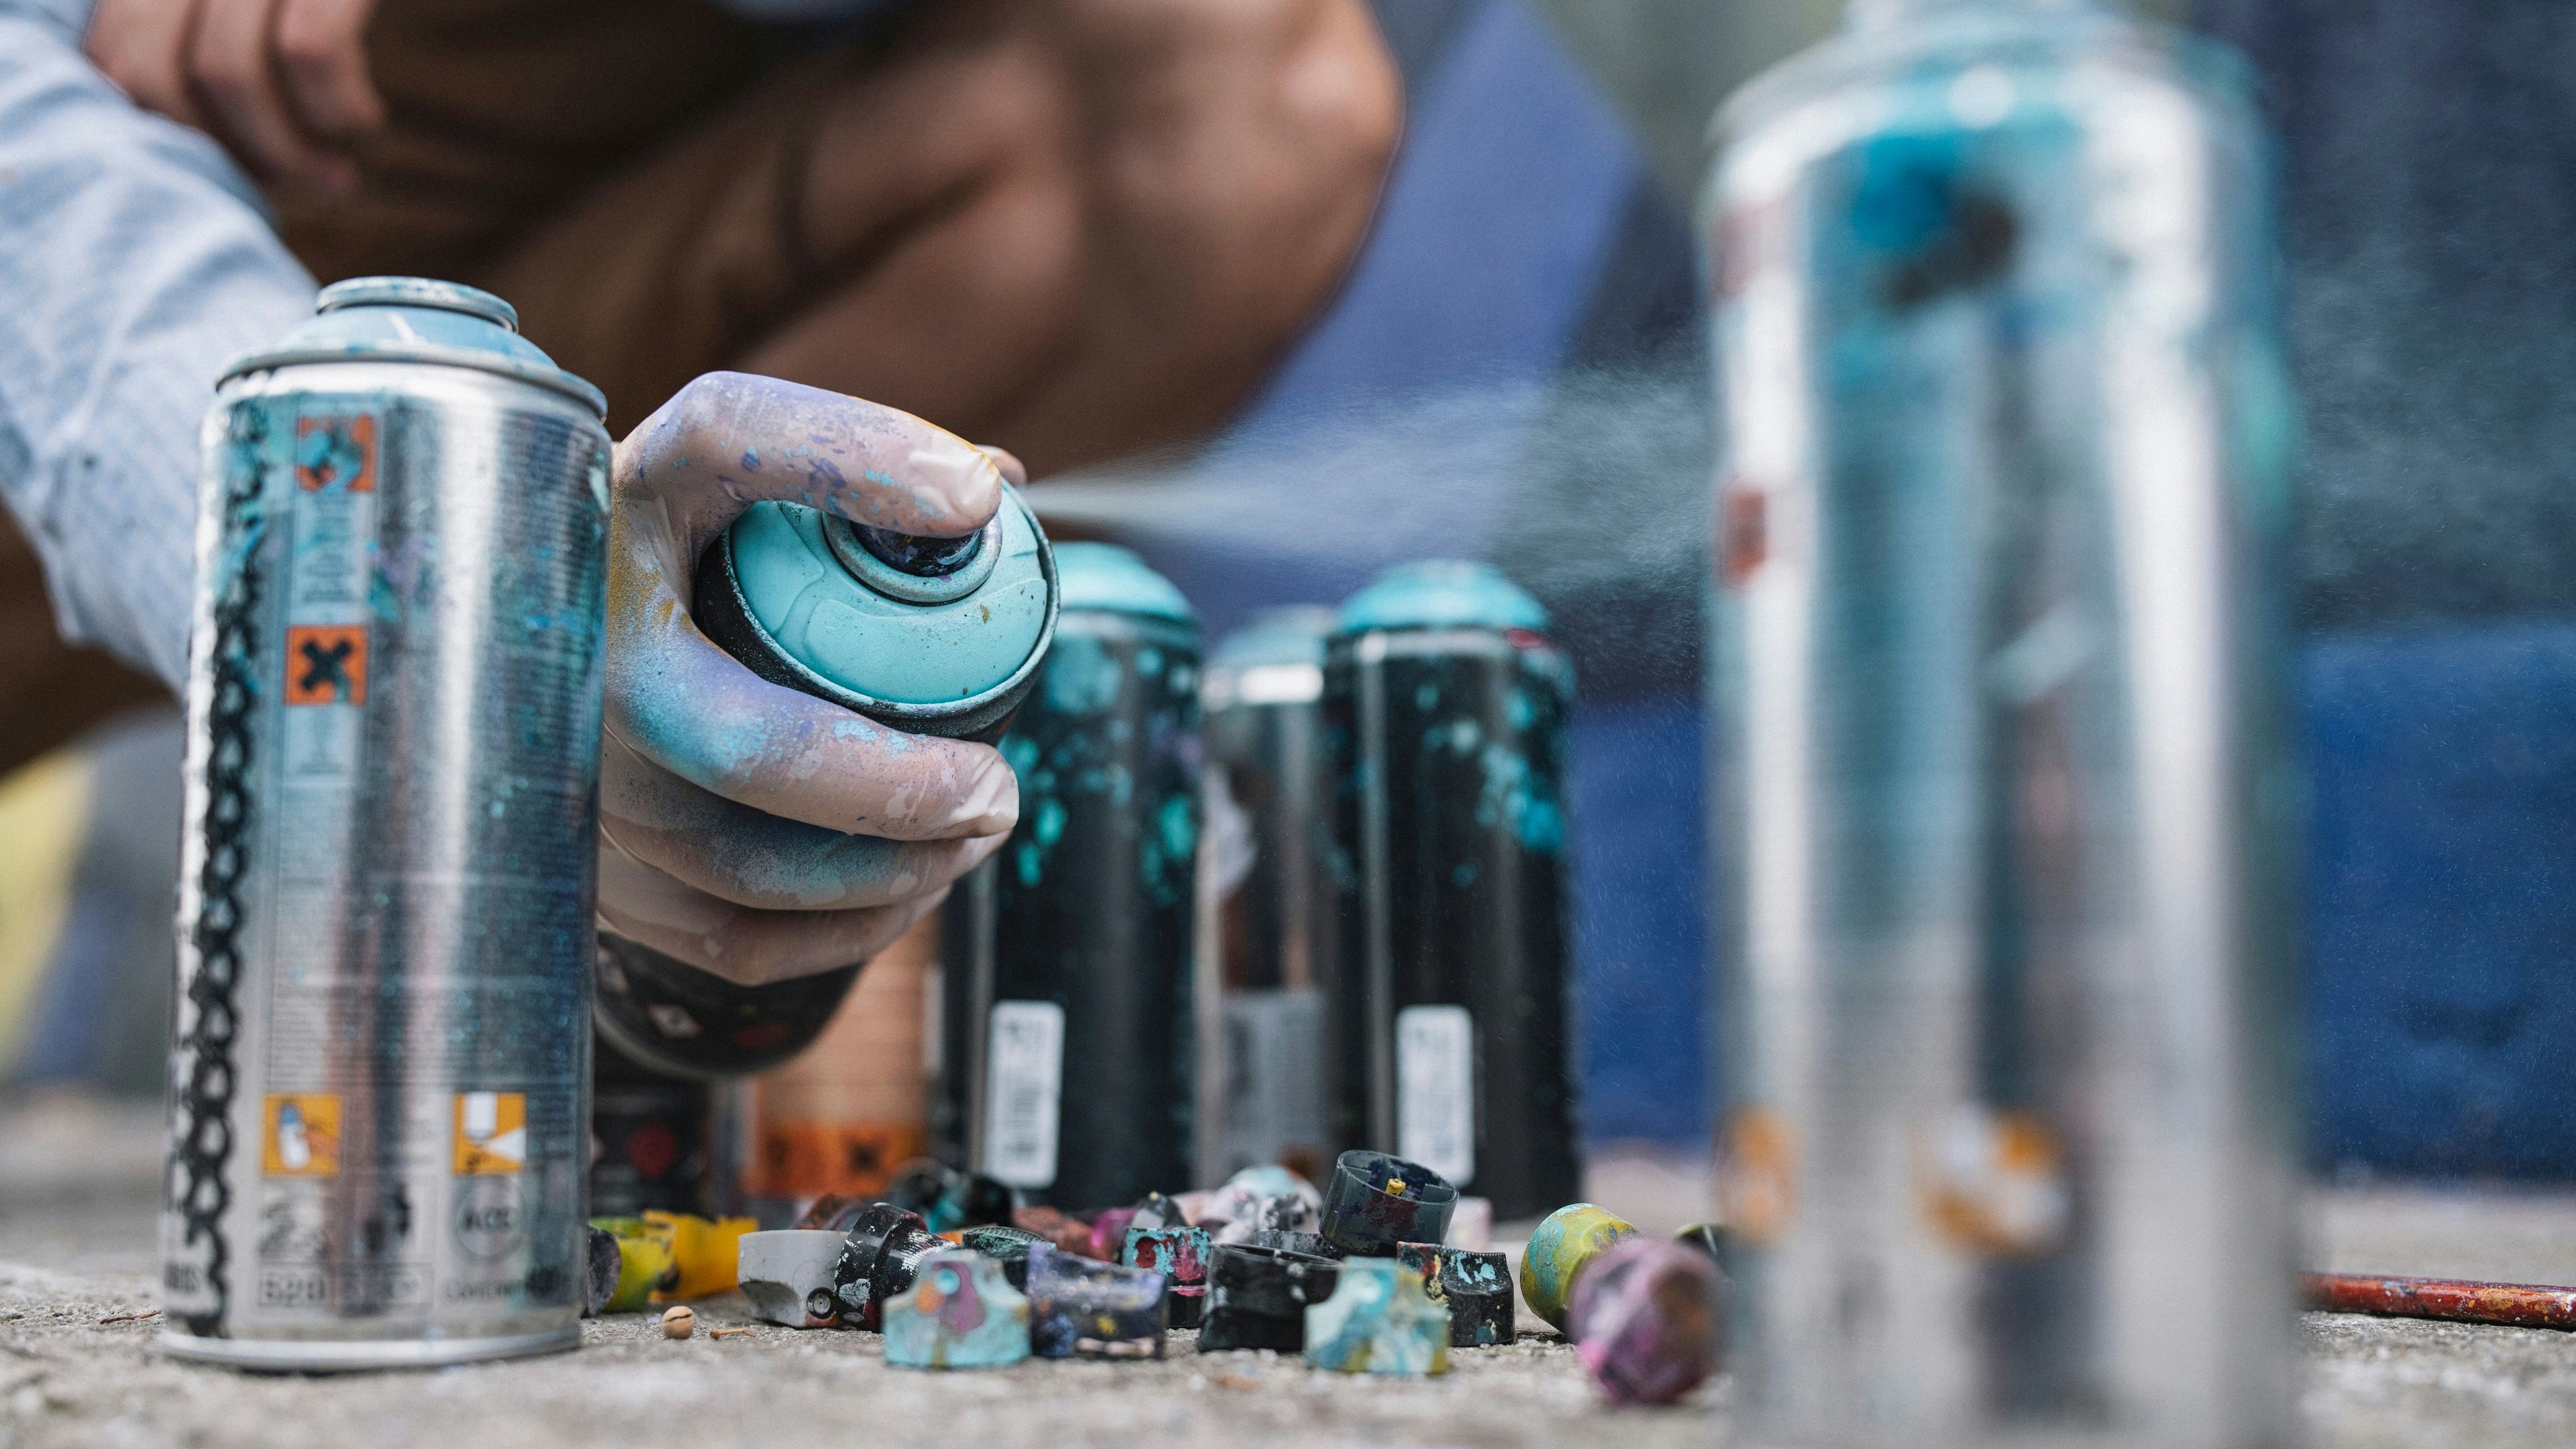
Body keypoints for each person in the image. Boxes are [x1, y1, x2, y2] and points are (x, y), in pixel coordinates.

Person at [0, 0, 1399, 984]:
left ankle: (616, 924)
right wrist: (400, 582)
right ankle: (456, 765)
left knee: (1232, 107)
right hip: (101, 273)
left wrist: (525, 600)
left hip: (572, 247)